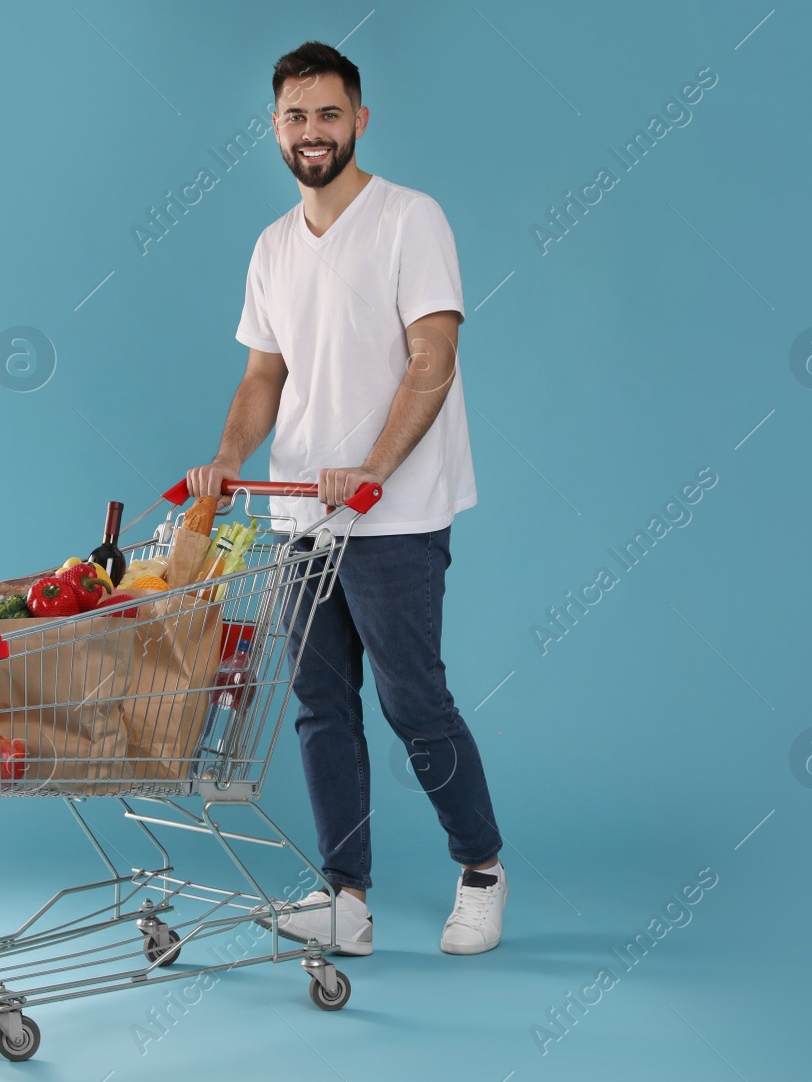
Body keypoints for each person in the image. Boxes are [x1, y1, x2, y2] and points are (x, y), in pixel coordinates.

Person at [185, 42, 507, 957]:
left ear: (359, 120)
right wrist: (223, 458)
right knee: (321, 708)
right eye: (296, 116)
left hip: (395, 516)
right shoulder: (274, 247)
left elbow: (432, 363)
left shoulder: (411, 220)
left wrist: (369, 470)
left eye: (329, 114)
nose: (312, 132)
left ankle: (481, 870)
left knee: (414, 703)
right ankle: (347, 897)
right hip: (298, 516)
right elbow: (263, 377)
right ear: (274, 129)